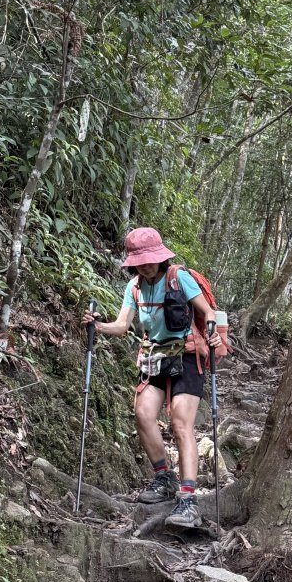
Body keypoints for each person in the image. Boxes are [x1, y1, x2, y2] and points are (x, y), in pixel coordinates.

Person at [82, 227, 222, 529]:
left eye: (149, 260)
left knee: (181, 423)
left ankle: (188, 500)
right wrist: (98, 326)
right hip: (154, 356)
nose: (145, 266)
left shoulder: (178, 278)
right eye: (139, 261)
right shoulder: (133, 287)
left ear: (160, 257)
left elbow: (207, 311)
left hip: (186, 354)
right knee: (143, 414)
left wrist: (211, 334)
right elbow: (122, 326)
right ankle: (164, 478)